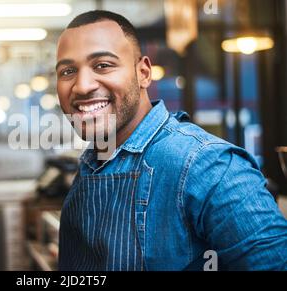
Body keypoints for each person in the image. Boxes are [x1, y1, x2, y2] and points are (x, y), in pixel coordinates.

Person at [55, 10, 287, 271]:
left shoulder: (209, 166)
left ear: (143, 72)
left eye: (103, 65)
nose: (82, 85)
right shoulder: (90, 166)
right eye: (68, 71)